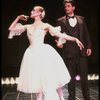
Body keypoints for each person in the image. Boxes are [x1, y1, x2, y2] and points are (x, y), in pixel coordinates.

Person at [8, 5, 84, 100]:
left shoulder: (45, 25)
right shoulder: (28, 26)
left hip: (43, 54)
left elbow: (60, 34)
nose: (31, 11)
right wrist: (18, 18)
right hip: (31, 54)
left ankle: (58, 96)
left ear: (39, 13)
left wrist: (75, 39)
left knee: (47, 78)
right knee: (36, 81)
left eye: (33, 10)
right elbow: (11, 29)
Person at [56, 0, 92, 100]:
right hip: (69, 52)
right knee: (70, 78)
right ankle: (71, 97)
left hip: (81, 52)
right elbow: (57, 35)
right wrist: (59, 43)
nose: (66, 8)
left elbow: (86, 34)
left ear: (73, 7)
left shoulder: (81, 19)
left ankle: (87, 97)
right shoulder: (60, 20)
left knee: (84, 78)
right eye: (65, 7)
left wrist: (89, 46)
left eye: (68, 6)